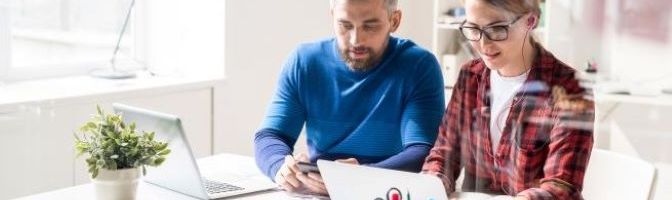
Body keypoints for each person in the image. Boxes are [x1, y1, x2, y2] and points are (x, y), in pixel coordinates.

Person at [254, 0, 445, 195]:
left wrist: (357, 177)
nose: (356, 40)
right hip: (319, 191)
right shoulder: (304, 63)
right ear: (332, 15)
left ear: (394, 20)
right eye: (345, 25)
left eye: (370, 26)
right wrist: (281, 167)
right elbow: (270, 136)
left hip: (386, 192)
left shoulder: (419, 67)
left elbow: (423, 151)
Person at [421, 0, 595, 199]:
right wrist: (431, 185)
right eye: (473, 28)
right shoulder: (470, 76)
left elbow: (561, 186)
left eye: (497, 29)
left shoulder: (571, 88)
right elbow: (444, 154)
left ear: (530, 20)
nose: (483, 44)